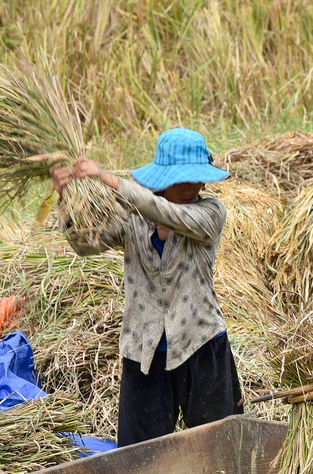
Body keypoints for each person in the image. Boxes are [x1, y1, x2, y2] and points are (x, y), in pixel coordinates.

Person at [50, 127, 243, 446]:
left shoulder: (210, 213)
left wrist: (107, 178)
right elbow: (85, 245)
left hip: (202, 344)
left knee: (221, 444)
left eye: (196, 177)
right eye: (181, 178)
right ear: (162, 178)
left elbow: (165, 212)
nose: (191, 186)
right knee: (139, 454)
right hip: (144, 348)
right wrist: (67, 197)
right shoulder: (132, 219)